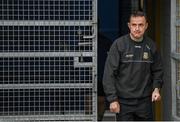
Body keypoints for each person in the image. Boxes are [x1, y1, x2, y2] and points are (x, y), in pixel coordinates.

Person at [102, 11, 163, 121]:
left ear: (146, 26)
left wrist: (156, 89)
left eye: (141, 25)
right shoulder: (118, 45)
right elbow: (109, 74)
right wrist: (112, 99)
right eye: (134, 25)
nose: (137, 28)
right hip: (123, 102)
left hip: (145, 102)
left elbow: (158, 71)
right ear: (129, 25)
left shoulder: (152, 46)